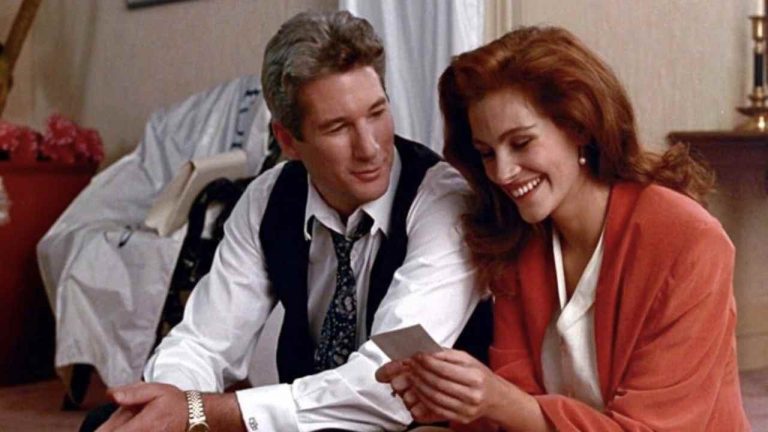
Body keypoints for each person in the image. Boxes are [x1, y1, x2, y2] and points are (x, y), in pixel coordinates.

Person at [89, 10, 487, 432]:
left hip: (416, 426)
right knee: (111, 423)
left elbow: (385, 387)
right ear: (288, 141)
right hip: (305, 421)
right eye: (338, 127)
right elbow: (203, 342)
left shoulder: (443, 201)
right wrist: (165, 406)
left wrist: (197, 411)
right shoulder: (268, 198)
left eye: (376, 113)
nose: (370, 147)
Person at [377, 26, 750, 431]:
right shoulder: (521, 240)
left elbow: (645, 428)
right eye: (486, 153)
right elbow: (514, 405)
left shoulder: (689, 241)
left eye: (521, 143)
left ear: (579, 126)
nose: (502, 172)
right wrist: (452, 400)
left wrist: (499, 400)